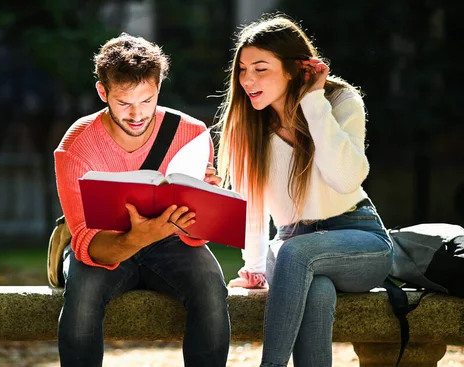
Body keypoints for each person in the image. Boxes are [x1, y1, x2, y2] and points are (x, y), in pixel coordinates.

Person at [215, 14, 394, 367]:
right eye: (243, 69)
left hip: (359, 239)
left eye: (260, 69)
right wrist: (254, 266)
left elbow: (346, 178)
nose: (247, 79)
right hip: (292, 244)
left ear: (294, 69)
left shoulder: (340, 101)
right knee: (316, 290)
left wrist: (313, 102)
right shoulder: (248, 125)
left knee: (296, 254)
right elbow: (253, 205)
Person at [53, 33, 230, 367]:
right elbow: (86, 242)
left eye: (146, 100)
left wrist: (208, 203)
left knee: (210, 282)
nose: (137, 114)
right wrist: (135, 238)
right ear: (102, 92)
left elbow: (198, 237)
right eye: (123, 103)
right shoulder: (77, 145)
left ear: (158, 88)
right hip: (107, 244)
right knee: (83, 296)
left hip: (170, 242)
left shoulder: (190, 133)